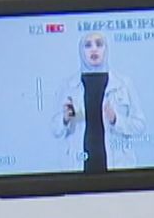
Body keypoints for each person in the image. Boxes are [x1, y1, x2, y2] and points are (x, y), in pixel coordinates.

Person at [50, 30, 144, 171]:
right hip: (78, 168)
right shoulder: (68, 86)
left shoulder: (124, 83)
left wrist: (116, 120)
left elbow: (139, 125)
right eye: (88, 45)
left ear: (106, 49)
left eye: (99, 44)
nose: (94, 49)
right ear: (81, 51)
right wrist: (64, 119)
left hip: (117, 167)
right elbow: (55, 130)